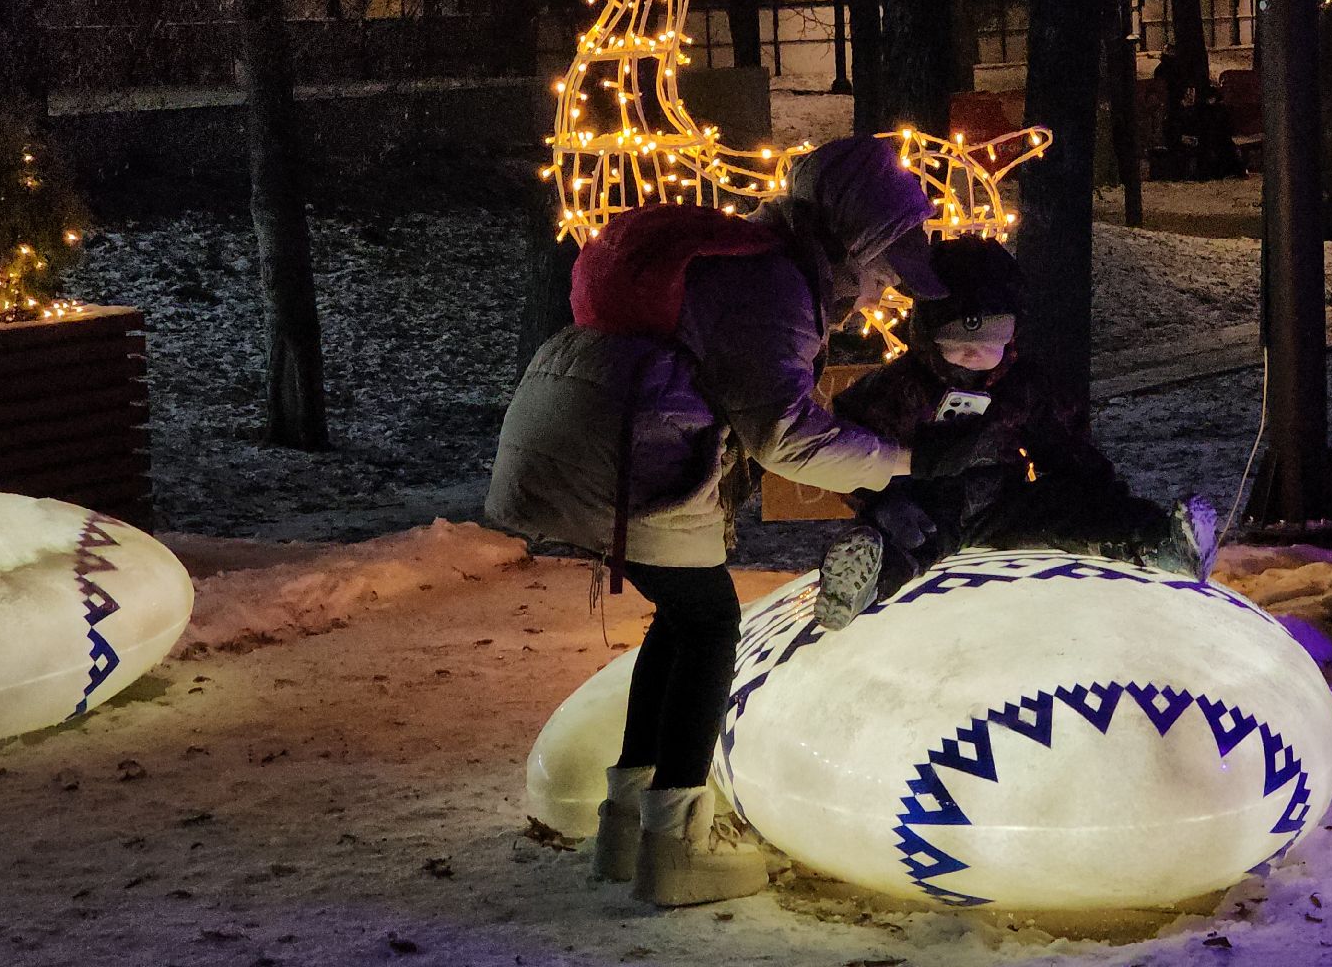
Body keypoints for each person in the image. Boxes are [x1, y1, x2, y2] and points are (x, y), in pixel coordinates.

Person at [486, 137, 1005, 907]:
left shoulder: (759, 264)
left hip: (589, 429)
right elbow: (785, 438)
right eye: (882, 269)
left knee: (683, 620)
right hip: (620, 449)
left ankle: (627, 829)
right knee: (709, 625)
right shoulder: (771, 285)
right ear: (852, 241)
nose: (881, 291)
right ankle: (673, 850)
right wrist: (912, 460)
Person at [812, 235, 1218, 629]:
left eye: (988, 342)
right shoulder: (902, 387)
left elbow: (1062, 440)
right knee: (912, 539)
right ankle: (859, 583)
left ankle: (1159, 541)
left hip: (1001, 499)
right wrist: (881, 500)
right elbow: (853, 444)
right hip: (926, 504)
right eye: (958, 341)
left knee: (1067, 512)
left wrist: (1093, 486)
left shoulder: (1020, 387)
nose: (973, 354)